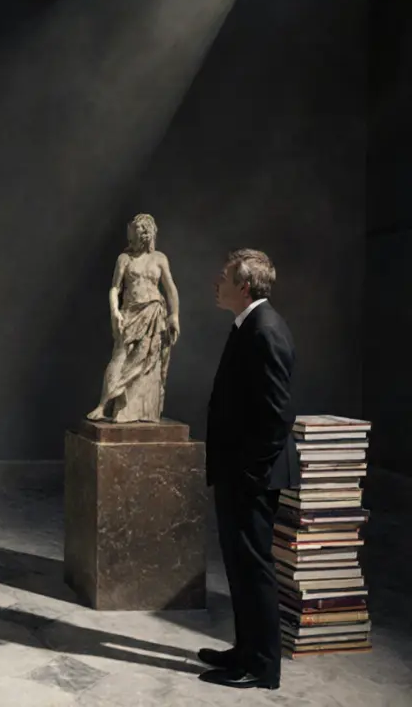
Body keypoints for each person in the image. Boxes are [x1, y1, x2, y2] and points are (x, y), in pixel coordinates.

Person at [200, 248, 298, 691]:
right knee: (239, 566)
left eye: (223, 276)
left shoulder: (265, 329)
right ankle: (244, 651)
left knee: (254, 567)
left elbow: (276, 415)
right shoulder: (248, 325)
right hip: (237, 471)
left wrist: (251, 474)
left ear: (243, 286)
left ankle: (262, 667)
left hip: (251, 476)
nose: (215, 283)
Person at [86, 213, 181, 423]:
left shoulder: (159, 259)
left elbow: (170, 288)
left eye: (134, 234)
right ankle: (103, 406)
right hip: (130, 314)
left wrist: (174, 315)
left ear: (145, 234)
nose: (130, 239)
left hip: (154, 314)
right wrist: (115, 311)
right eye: (129, 235)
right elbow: (115, 287)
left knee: (149, 361)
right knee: (119, 358)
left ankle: (143, 410)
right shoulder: (124, 259)